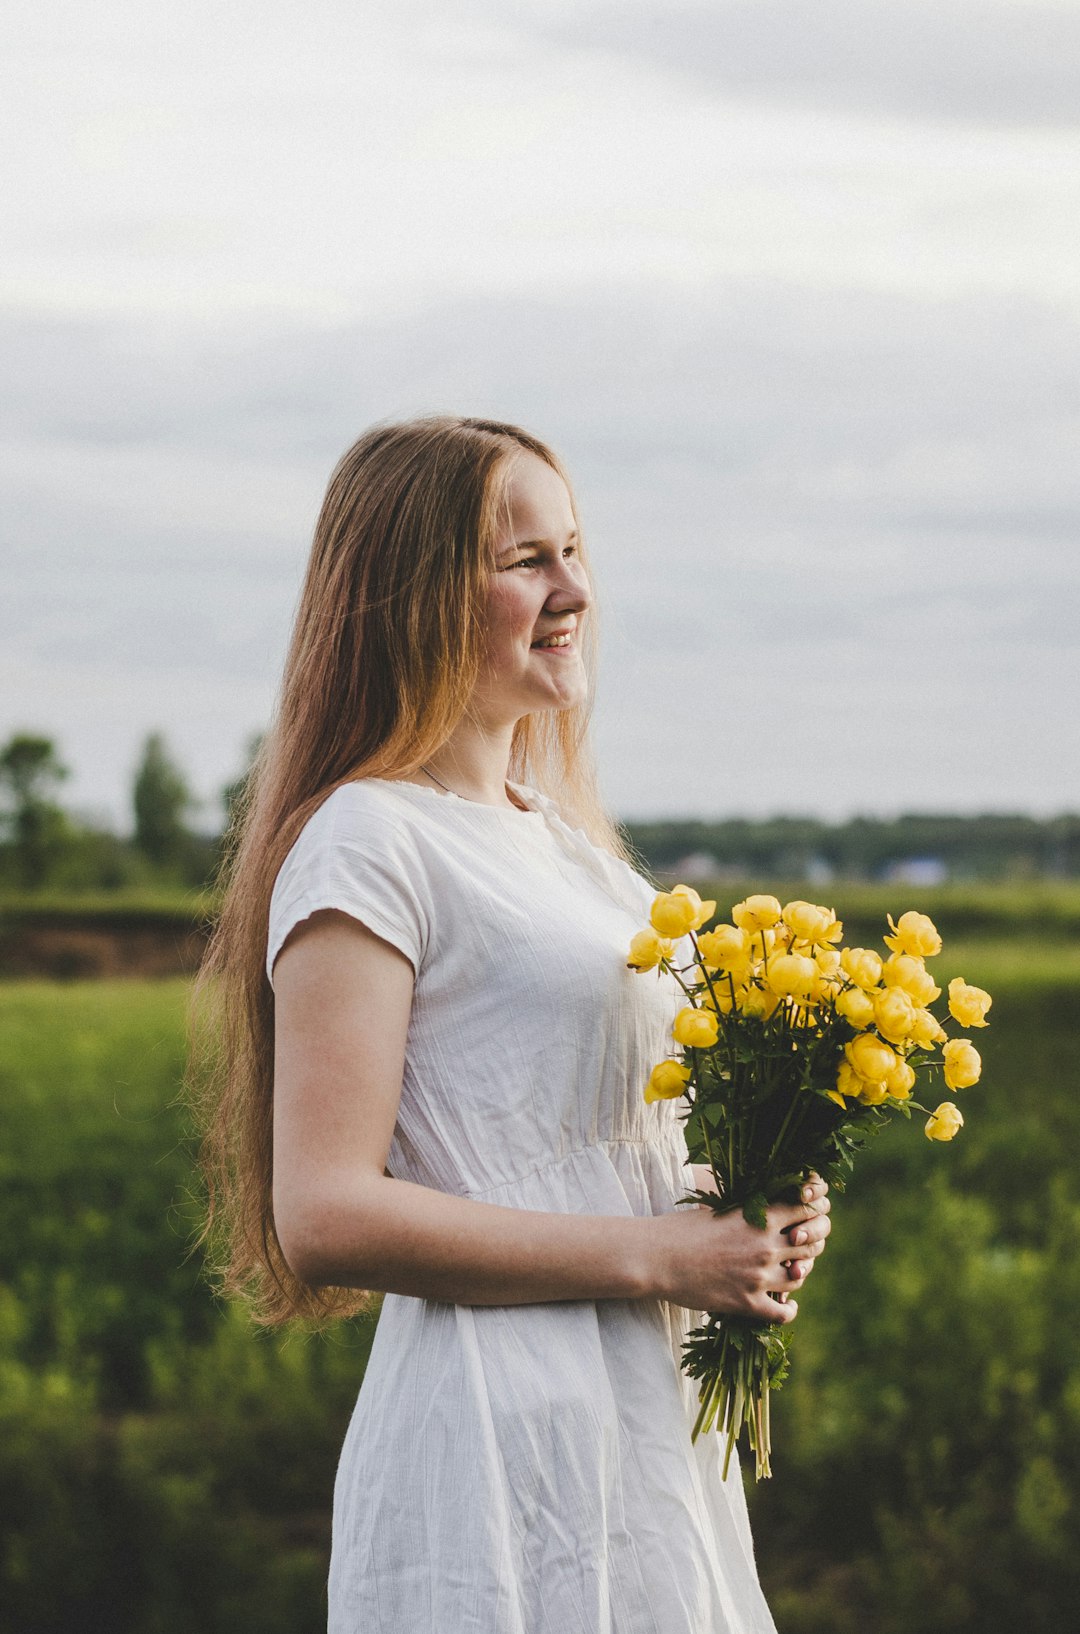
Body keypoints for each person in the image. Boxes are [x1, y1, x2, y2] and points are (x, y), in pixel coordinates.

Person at [190, 414, 831, 1634]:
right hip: (498, 1433)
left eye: (574, 550)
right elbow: (322, 1210)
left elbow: (607, 1134)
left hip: (642, 1426)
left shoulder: (570, 849)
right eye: (524, 559)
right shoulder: (369, 840)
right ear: (414, 593)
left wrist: (753, 1205)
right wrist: (668, 1254)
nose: (574, 589)